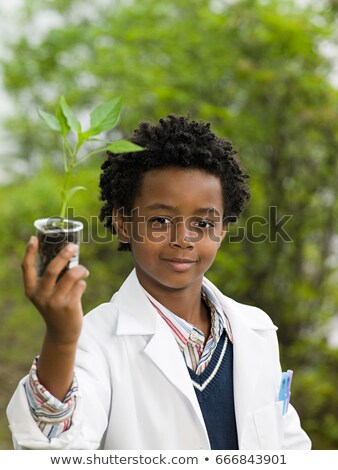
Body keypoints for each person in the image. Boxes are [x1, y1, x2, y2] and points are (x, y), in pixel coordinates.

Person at [7, 115, 311, 450]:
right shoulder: (94, 341)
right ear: (123, 224)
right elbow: (53, 449)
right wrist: (62, 339)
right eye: (160, 220)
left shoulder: (257, 330)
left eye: (204, 222)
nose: (183, 239)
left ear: (223, 229)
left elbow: (289, 448)